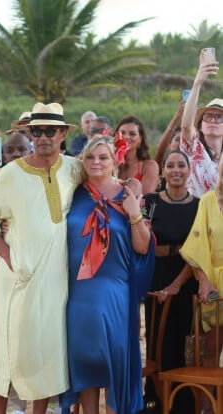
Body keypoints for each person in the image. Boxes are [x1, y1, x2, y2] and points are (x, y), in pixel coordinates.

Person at [0, 102, 83, 414]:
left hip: (56, 280)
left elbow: (105, 184)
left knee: (47, 353)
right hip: (16, 282)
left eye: (51, 130)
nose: (43, 137)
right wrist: (12, 259)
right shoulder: (9, 175)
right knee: (8, 353)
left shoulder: (76, 169)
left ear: (62, 134)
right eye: (37, 131)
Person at [63, 136, 154, 414]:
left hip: (114, 292)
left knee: (114, 360)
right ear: (83, 161)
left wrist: (135, 214)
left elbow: (142, 246)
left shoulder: (127, 195)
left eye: (103, 157)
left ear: (115, 161)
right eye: (90, 157)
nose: (96, 162)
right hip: (78, 294)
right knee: (85, 361)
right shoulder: (73, 194)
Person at [142, 149, 198, 414]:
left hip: (187, 279)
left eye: (181, 165)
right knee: (157, 341)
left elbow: (199, 249)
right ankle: (154, 400)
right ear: (163, 171)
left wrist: (177, 284)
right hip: (156, 276)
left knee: (182, 339)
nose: (176, 170)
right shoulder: (150, 201)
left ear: (189, 170)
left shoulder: (200, 205)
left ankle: (182, 403)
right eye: (171, 165)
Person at [179, 155, 223, 414]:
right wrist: (204, 282)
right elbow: (197, 246)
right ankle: (206, 408)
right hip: (214, 286)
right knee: (210, 353)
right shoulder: (207, 201)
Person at [179, 48, 221, 197]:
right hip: (196, 216)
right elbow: (185, 126)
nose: (213, 121)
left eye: (219, 117)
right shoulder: (194, 147)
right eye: (208, 116)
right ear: (200, 126)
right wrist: (197, 83)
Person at [115, 115, 160, 194]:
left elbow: (145, 199)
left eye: (132, 134)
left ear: (140, 139)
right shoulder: (108, 164)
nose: (126, 137)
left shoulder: (149, 166)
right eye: (122, 133)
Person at [154, 101, 185, 170]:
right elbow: (160, 151)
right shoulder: (161, 165)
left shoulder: (195, 166)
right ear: (169, 144)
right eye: (177, 139)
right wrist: (176, 118)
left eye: (185, 140)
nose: (181, 143)